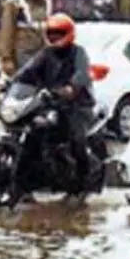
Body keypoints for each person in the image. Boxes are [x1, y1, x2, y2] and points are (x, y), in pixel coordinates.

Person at [12, 14, 95, 171]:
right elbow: (29, 70)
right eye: (51, 33)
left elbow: (81, 73)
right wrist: (12, 82)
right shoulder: (46, 53)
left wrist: (71, 87)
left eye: (59, 33)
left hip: (77, 105)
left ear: (68, 33)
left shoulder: (78, 53)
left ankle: (82, 176)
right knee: (33, 129)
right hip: (51, 102)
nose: (54, 36)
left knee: (77, 138)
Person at [0, 0, 52, 78]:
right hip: (22, 54)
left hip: (41, 54)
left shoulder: (46, 2)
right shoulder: (15, 2)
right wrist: (7, 58)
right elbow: (7, 32)